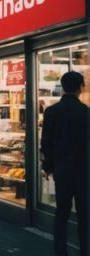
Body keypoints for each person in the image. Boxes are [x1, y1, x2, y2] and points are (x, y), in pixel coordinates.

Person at [40, 72, 87, 256]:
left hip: (61, 169)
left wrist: (48, 167)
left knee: (61, 213)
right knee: (84, 214)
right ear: (80, 87)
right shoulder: (86, 112)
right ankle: (85, 250)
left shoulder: (51, 112)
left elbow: (46, 142)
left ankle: (60, 251)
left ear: (63, 87)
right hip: (83, 171)